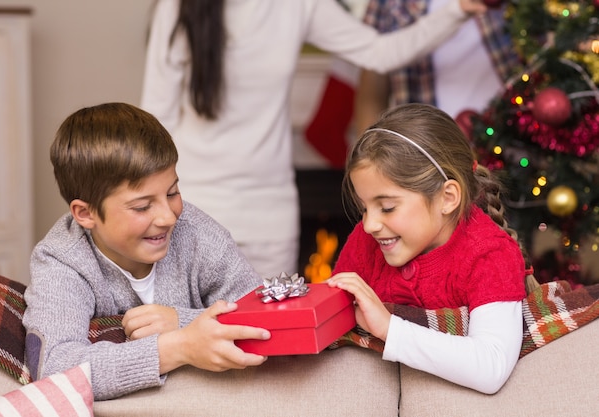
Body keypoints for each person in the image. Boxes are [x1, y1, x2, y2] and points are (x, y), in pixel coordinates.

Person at [140, 0, 489, 279]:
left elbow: (381, 53)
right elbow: (155, 120)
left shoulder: (297, 5)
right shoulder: (176, 8)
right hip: (194, 211)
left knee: (270, 347)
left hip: (270, 213)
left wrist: (456, 10)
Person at [23, 103, 270, 401]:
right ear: (86, 213)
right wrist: (178, 347)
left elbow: (264, 319)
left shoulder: (199, 235)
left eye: (172, 192)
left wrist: (181, 320)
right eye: (142, 206)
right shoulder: (61, 260)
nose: (168, 217)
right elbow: (54, 369)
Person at [327, 103, 536, 394]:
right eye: (364, 208)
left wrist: (390, 328)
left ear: (447, 198)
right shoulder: (366, 241)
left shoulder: (489, 254)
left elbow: (492, 366)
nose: (370, 224)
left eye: (387, 207)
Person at [354, 0, 520, 134]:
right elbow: (372, 86)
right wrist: (366, 156)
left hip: (514, 136)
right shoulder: (389, 4)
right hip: (429, 154)